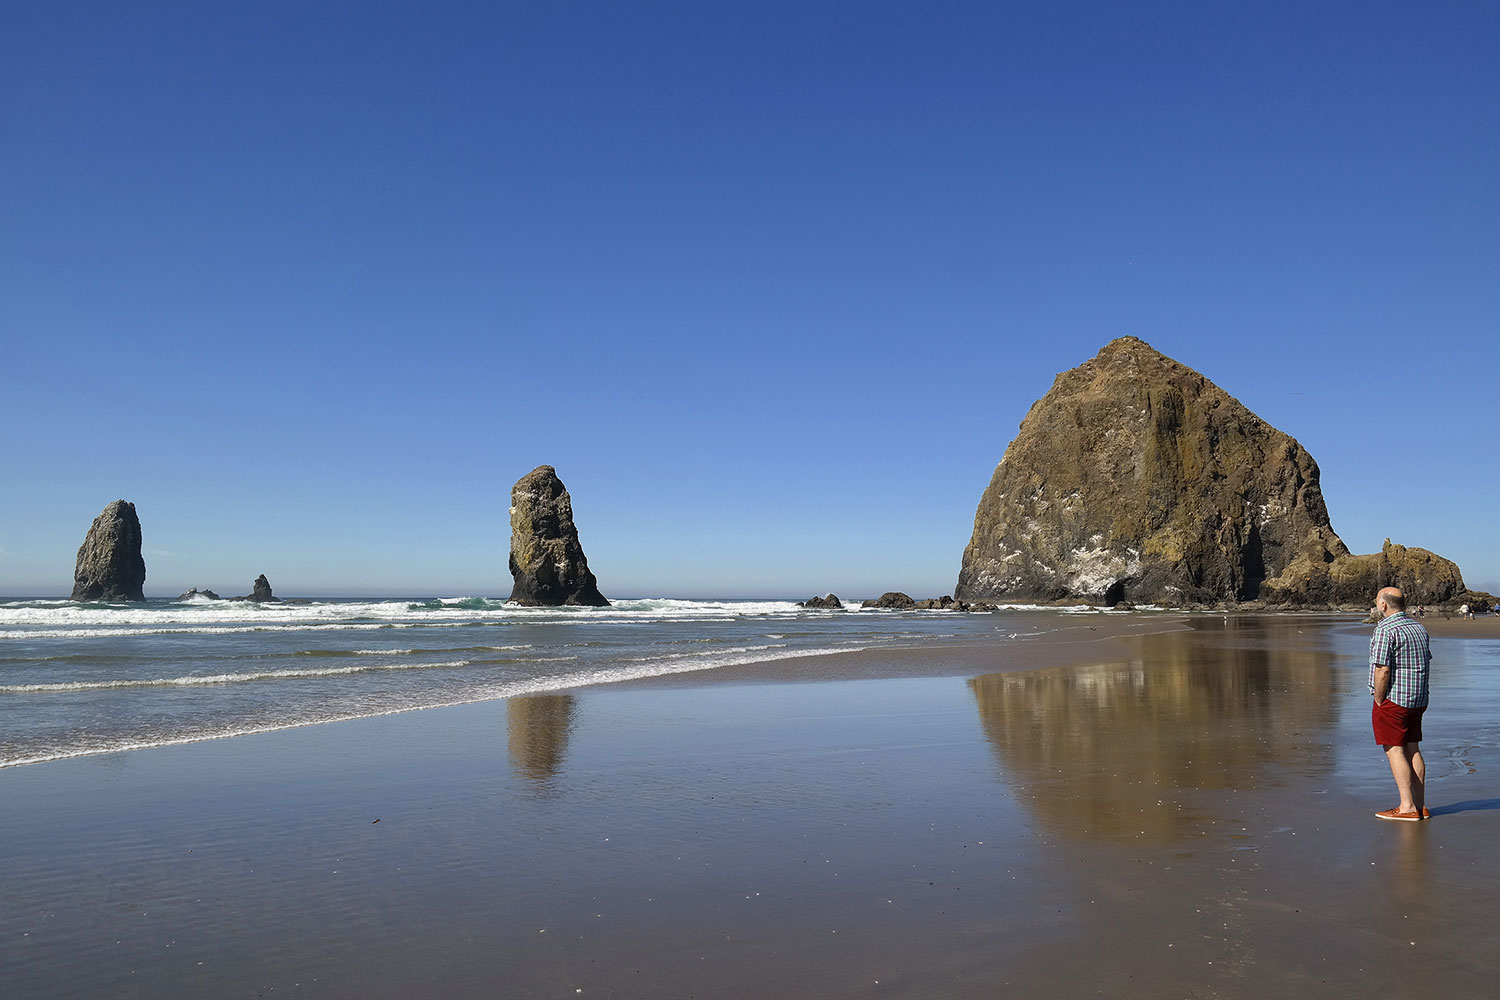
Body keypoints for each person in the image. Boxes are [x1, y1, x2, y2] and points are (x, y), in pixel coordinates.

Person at [1369, 586, 1431, 821]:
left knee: (1394, 750)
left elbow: (1382, 669)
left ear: (1383, 605)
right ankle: (1420, 805)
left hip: (1395, 699)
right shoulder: (1418, 627)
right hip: (1418, 698)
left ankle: (1407, 806)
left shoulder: (1385, 629)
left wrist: (1378, 698)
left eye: (1377, 602)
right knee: (1413, 747)